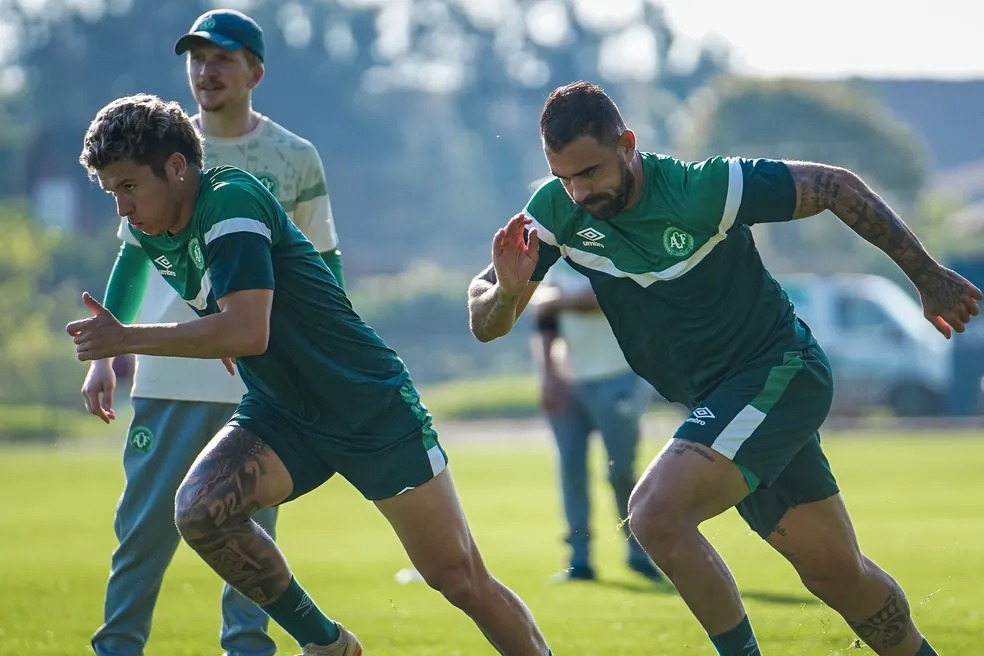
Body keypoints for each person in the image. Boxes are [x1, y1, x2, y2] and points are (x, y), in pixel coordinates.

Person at [467, 80, 982, 656]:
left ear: (628, 144)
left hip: (779, 371)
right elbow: (484, 318)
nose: (580, 191)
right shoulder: (556, 214)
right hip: (726, 401)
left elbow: (834, 186)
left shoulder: (704, 188)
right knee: (838, 576)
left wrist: (926, 274)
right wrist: (508, 295)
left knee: (655, 514)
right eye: (564, 177)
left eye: (590, 172)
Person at [70, 93, 552, 656]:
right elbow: (236, 318)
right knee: (201, 512)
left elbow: (249, 331)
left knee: (460, 579)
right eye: (112, 193)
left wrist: (126, 340)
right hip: (282, 412)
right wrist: (219, 331)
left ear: (178, 167)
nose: (122, 209)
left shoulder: (230, 202)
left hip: (367, 405)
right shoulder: (158, 226)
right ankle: (328, 645)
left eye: (129, 187)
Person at [81, 10, 343, 656]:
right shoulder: (151, 149)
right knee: (141, 530)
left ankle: (249, 650)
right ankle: (117, 647)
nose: (207, 71)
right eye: (197, 58)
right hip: (168, 377)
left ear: (255, 70)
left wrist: (315, 359)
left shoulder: (293, 157)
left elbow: (323, 266)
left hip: (260, 384)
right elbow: (132, 258)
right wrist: (103, 359)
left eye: (223, 58)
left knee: (248, 539)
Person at [529, 259, 662, 582]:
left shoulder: (615, 254)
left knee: (621, 471)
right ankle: (579, 559)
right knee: (571, 470)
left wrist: (556, 300)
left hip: (618, 377)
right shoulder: (556, 264)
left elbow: (601, 299)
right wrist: (547, 376)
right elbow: (542, 320)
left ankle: (638, 551)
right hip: (567, 381)